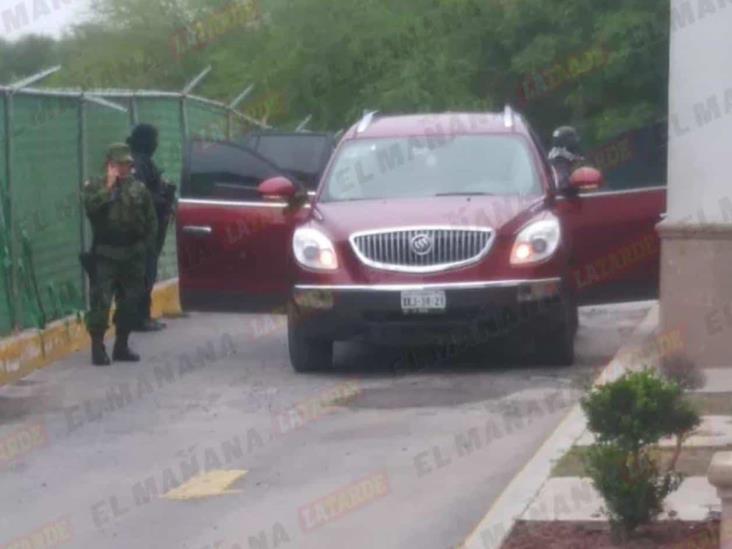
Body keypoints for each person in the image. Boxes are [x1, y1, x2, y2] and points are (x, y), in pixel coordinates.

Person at [82, 143, 157, 366]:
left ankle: (121, 345)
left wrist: (146, 248)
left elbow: (151, 221)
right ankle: (97, 347)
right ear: (109, 164)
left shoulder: (138, 188)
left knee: (130, 302)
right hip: (106, 254)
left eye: (126, 164)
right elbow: (91, 208)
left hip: (132, 254)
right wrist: (110, 187)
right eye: (119, 164)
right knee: (100, 302)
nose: (124, 168)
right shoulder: (94, 186)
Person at [126, 124, 176, 331]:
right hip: (141, 230)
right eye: (153, 139)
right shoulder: (137, 163)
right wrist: (162, 199)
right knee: (144, 273)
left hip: (151, 228)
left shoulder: (145, 162)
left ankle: (143, 316)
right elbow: (139, 195)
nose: (156, 144)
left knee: (148, 272)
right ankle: (138, 318)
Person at [548, 126, 585, 190]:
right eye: (572, 138)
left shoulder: (555, 153)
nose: (576, 142)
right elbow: (563, 184)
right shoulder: (559, 158)